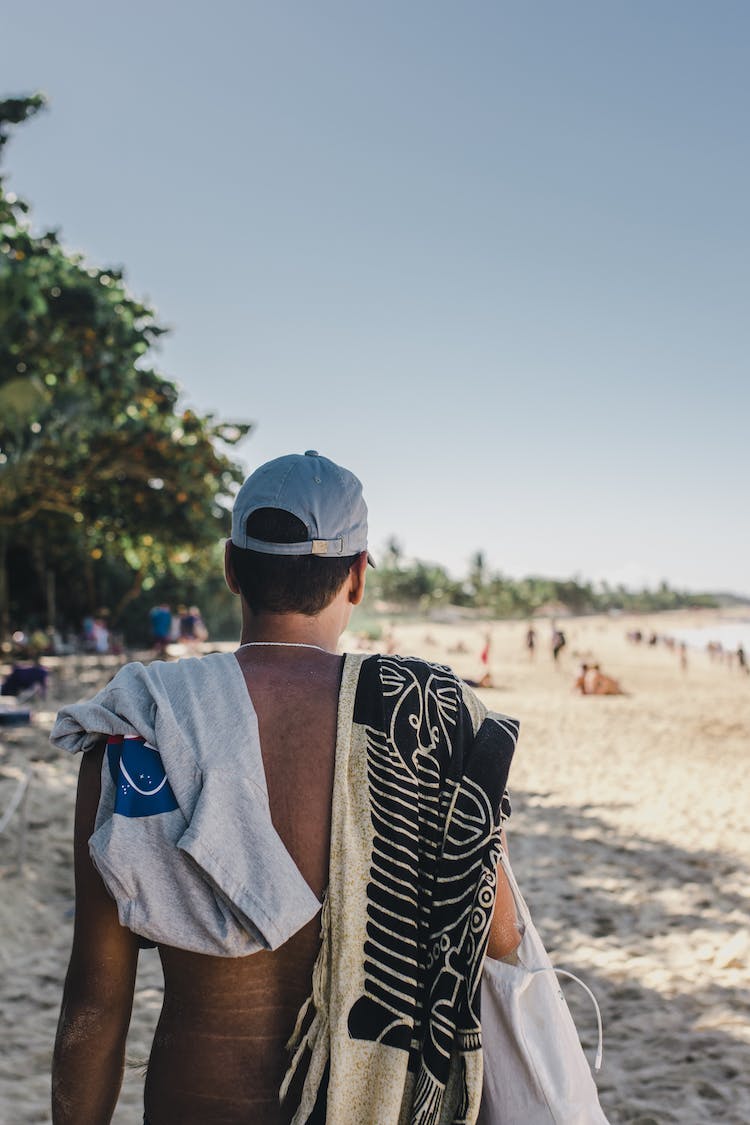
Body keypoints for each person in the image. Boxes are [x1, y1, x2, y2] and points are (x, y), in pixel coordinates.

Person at [50, 451, 521, 1125]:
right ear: (357, 577)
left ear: (231, 567)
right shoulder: (427, 721)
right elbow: (498, 936)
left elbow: (94, 1001)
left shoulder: (141, 726)